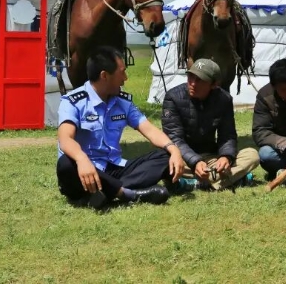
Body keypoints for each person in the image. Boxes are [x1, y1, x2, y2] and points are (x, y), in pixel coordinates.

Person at [56, 46, 185, 210]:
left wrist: (174, 150)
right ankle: (128, 194)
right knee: (66, 163)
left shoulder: (122, 102)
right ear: (104, 76)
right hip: (84, 170)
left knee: (164, 155)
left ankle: (104, 193)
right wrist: (82, 160)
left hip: (115, 168)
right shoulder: (74, 101)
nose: (126, 78)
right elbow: (65, 139)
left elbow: (149, 130)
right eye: (122, 72)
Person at [162, 58, 260, 191]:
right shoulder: (173, 97)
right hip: (183, 159)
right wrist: (195, 161)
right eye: (191, 77)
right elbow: (175, 138)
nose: (193, 83)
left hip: (210, 158)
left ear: (214, 84)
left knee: (252, 155)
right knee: (163, 163)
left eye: (200, 80)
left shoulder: (224, 99)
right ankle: (233, 179)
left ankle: (195, 184)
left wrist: (226, 157)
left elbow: (227, 135)